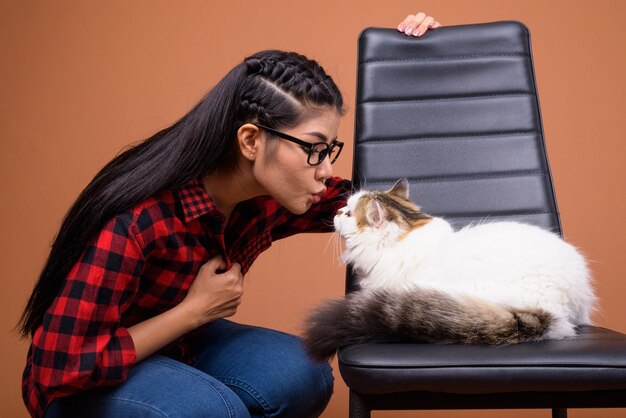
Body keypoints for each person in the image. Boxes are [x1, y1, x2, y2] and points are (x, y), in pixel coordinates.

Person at [17, 12, 440, 418]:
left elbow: (386, 207)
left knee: (304, 374)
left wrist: (421, 68)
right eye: (314, 149)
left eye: (329, 150)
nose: (326, 169)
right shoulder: (138, 219)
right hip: (80, 385)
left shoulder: (271, 195)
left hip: (181, 347)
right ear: (252, 140)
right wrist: (192, 311)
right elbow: (60, 366)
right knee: (212, 410)